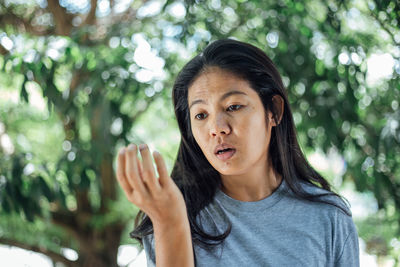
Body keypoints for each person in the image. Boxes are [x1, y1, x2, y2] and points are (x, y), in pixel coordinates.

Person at [115, 39, 360, 267]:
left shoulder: (329, 217)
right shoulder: (172, 215)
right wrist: (170, 222)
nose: (217, 128)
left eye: (233, 106)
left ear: (273, 110)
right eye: (201, 115)